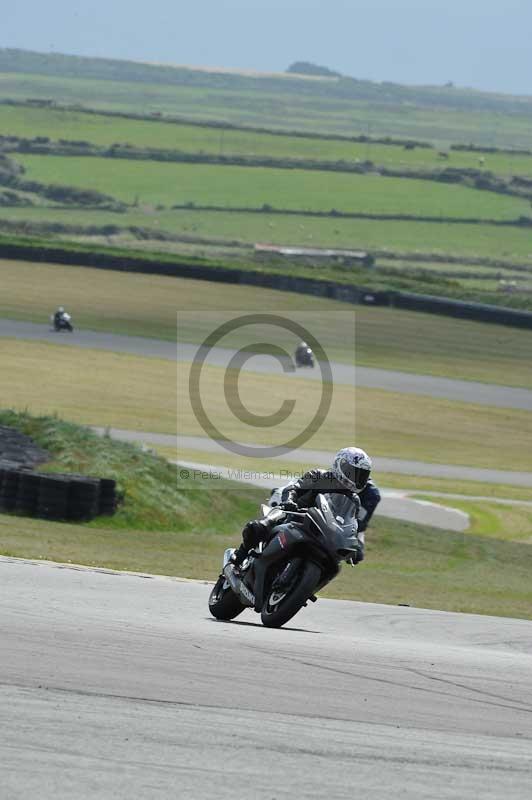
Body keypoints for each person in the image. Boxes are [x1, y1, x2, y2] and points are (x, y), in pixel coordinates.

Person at [232, 447, 380, 568]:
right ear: (339, 465)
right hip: (293, 517)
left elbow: (352, 526)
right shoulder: (320, 476)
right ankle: (239, 557)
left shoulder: (354, 500)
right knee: (259, 526)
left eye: (361, 475)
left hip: (321, 533)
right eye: (351, 472)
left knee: (335, 564)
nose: (355, 478)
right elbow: (293, 488)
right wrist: (289, 501)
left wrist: (356, 546)